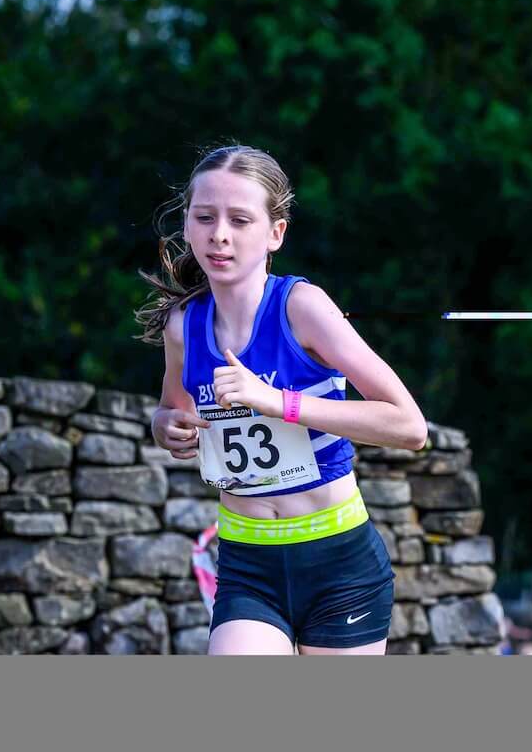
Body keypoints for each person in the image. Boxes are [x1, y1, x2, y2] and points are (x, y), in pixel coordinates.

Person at [138, 145, 428, 655]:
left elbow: (409, 427)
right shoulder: (183, 325)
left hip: (338, 564)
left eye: (239, 220)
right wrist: (167, 427)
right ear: (186, 225)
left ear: (275, 233)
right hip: (247, 565)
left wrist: (278, 402)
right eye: (204, 217)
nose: (219, 234)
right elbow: (172, 409)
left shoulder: (303, 308)